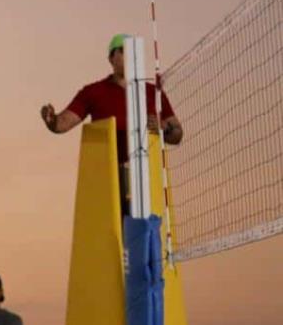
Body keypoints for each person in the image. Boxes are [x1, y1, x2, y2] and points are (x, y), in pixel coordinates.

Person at [40, 33, 184, 214]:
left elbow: (178, 134)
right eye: (123, 51)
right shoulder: (93, 92)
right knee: (113, 236)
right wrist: (51, 121)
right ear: (111, 58)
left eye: (134, 52)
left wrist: (165, 128)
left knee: (143, 236)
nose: (130, 56)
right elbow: (62, 124)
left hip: (146, 179)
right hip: (107, 179)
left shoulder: (152, 92)